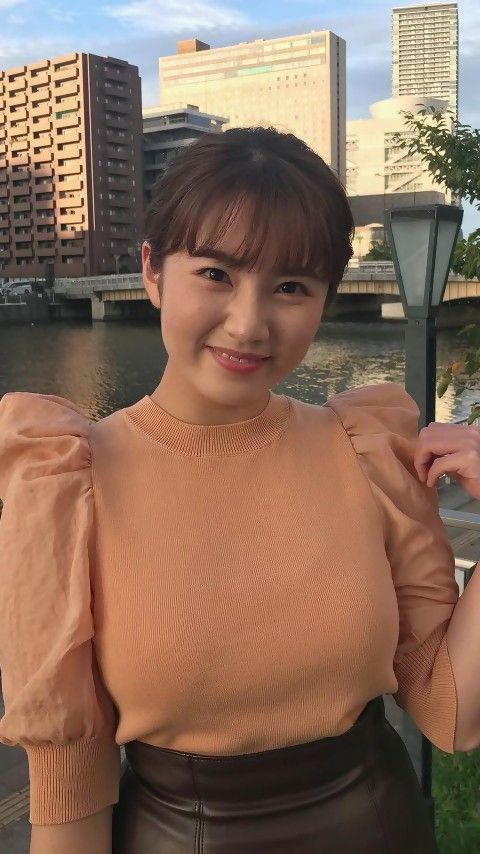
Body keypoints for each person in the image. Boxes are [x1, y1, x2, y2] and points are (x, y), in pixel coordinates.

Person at [0, 126, 475, 854]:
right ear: (153, 272)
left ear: (324, 299)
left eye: (290, 287)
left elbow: (452, 711)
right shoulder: (68, 485)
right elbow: (71, 783)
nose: (250, 324)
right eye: (216, 274)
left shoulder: (367, 453)